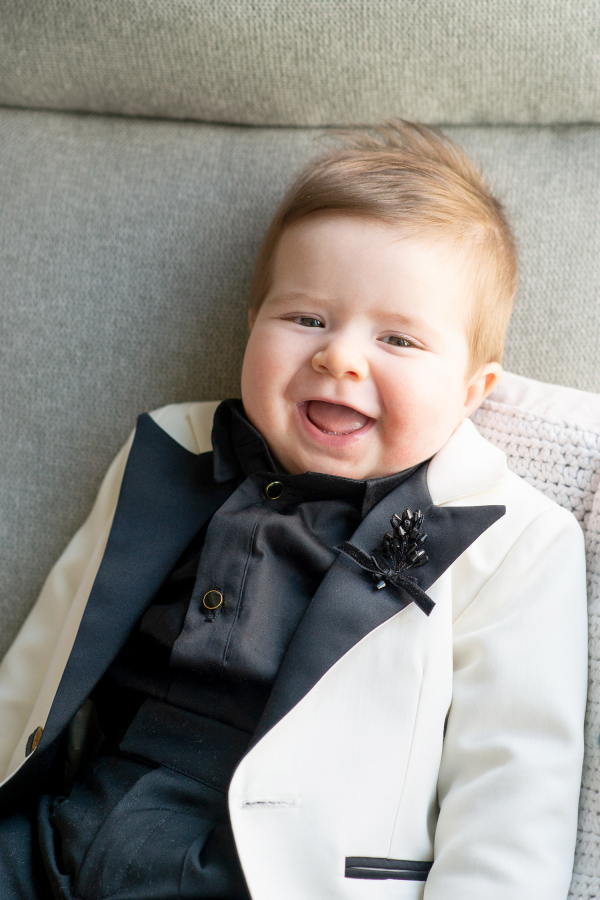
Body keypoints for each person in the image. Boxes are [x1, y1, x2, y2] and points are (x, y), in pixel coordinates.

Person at [0, 122, 588, 900]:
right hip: (69, 830)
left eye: (398, 340)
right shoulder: (174, 451)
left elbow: (512, 797)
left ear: (472, 391)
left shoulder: (513, 541)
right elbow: (44, 654)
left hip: (272, 875)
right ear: (253, 326)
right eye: (307, 319)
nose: (338, 356)